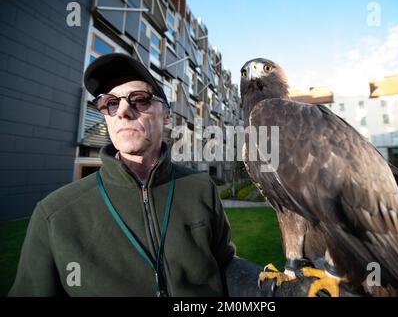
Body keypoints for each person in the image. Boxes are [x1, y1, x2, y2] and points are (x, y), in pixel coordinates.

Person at [8, 53, 236, 297]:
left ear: (167, 116)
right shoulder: (54, 214)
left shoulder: (201, 187)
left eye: (139, 99)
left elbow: (226, 267)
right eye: (111, 103)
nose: (123, 111)